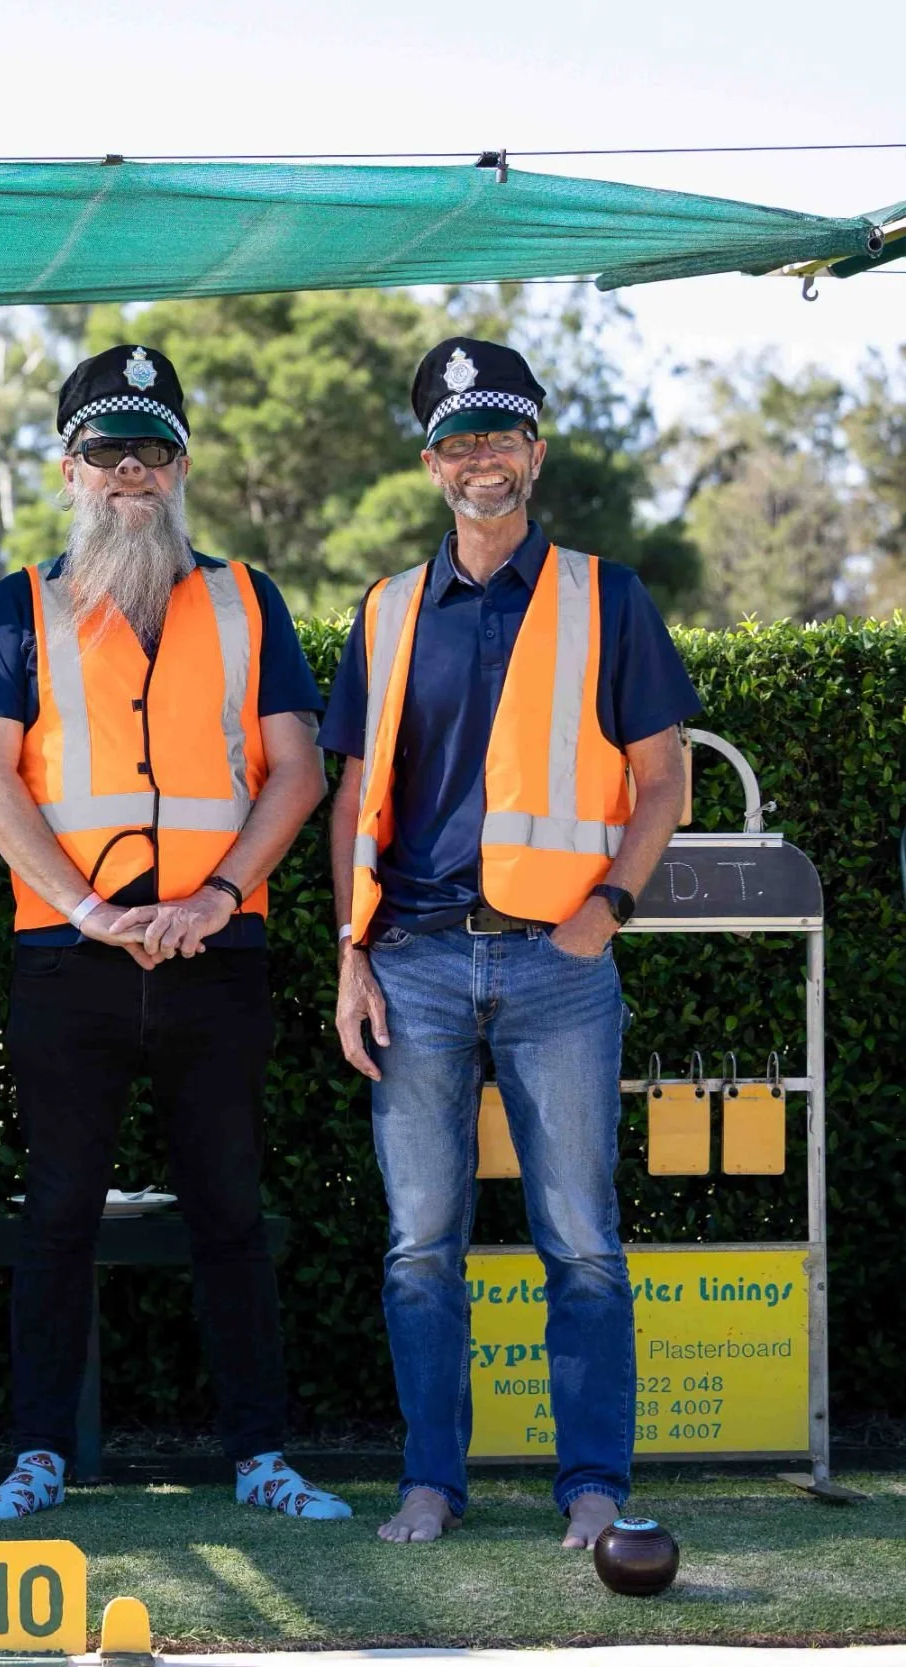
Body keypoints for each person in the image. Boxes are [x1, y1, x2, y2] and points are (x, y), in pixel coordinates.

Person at [0, 345, 344, 1523]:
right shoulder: (16, 602)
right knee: (56, 1210)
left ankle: (261, 1456)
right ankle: (35, 1455)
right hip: (69, 958)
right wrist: (87, 908)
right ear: (68, 469)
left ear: (181, 465)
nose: (132, 471)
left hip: (214, 954)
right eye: (106, 450)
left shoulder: (246, 595)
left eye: (153, 449)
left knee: (228, 1206)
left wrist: (217, 896)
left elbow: (296, 769)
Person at [323, 338, 696, 1549]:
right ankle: (430, 1480)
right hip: (413, 959)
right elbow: (350, 800)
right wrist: (347, 950)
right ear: (431, 463)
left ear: (534, 452)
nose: (480, 457)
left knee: (580, 1241)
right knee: (420, 1244)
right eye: (457, 438)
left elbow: (662, 782)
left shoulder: (608, 594)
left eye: (501, 434)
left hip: (558, 967)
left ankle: (593, 1486)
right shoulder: (384, 610)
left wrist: (608, 912)